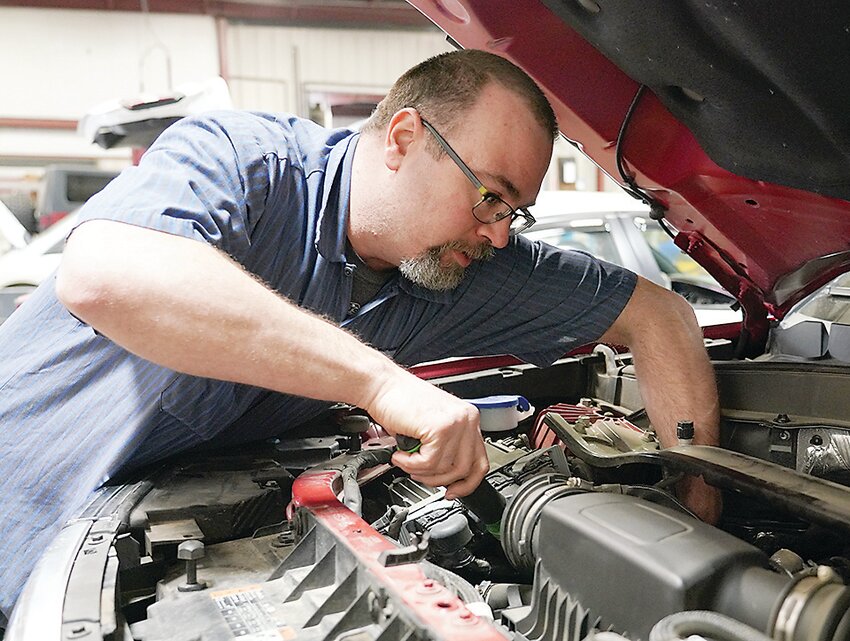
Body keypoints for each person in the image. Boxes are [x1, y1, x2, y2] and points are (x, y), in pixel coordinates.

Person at [0, 49, 720, 625]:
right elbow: (107, 275)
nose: (499, 233)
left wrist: (699, 526)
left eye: (515, 212)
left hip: (138, 566)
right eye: (490, 195)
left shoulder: (465, 267)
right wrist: (380, 382)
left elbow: (662, 318)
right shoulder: (247, 164)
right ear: (405, 138)